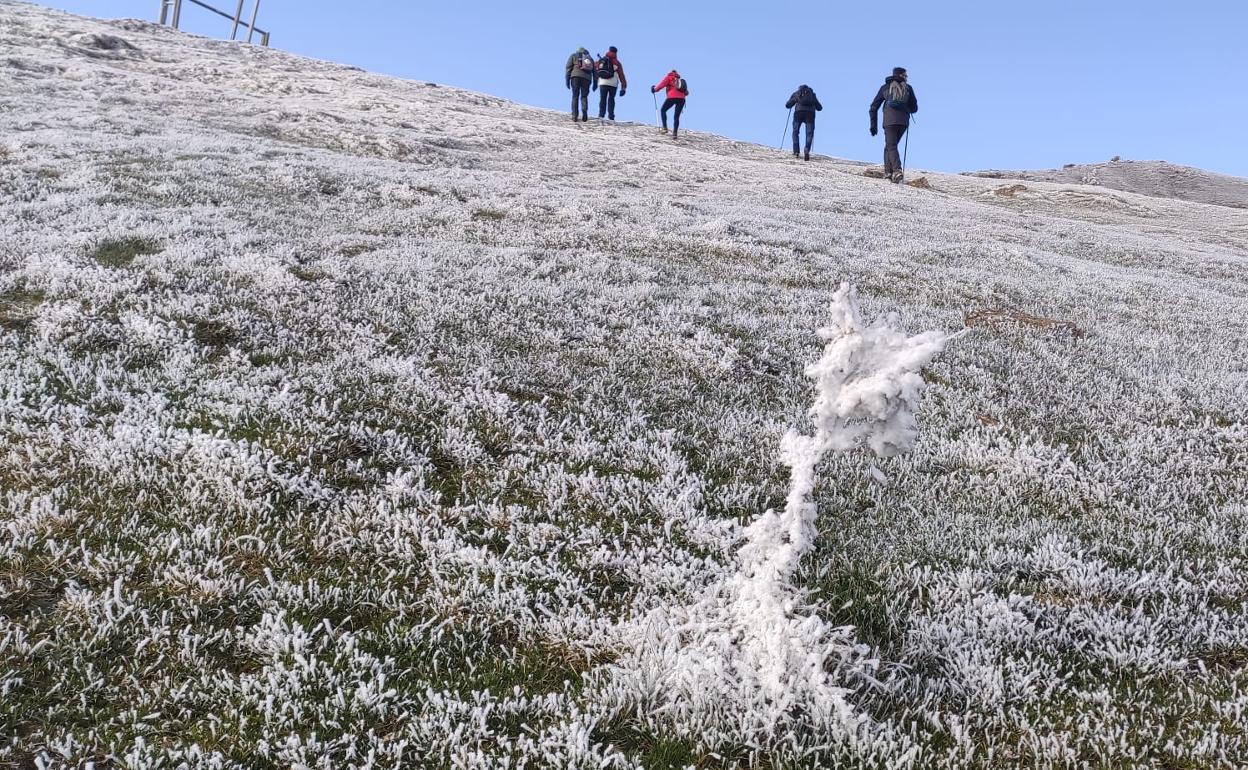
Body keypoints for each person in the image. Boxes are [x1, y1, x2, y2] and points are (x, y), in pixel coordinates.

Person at [869, 67, 918, 182]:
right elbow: (914, 108)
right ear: (901, 75)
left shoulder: (885, 88)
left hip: (889, 121)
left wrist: (873, 125)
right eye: (906, 76)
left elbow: (873, 107)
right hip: (903, 122)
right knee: (890, 146)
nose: (906, 78)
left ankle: (896, 170)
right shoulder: (908, 88)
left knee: (891, 146)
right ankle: (888, 173)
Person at [785, 84, 822, 161]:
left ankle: (796, 151)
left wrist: (794, 101)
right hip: (810, 114)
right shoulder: (812, 95)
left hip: (798, 113)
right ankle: (806, 149)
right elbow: (819, 108)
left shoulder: (797, 93)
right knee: (809, 133)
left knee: (795, 132)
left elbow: (788, 105)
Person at [651, 69, 688, 139]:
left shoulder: (669, 77)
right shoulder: (679, 80)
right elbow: (686, 93)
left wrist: (654, 89)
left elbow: (661, 85)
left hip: (672, 97)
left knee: (663, 110)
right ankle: (675, 134)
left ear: (670, 72)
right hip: (682, 99)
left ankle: (665, 128)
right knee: (676, 116)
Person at [565, 47, 598, 122]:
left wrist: (567, 79)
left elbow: (568, 68)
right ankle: (584, 111)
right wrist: (595, 83)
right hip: (587, 79)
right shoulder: (590, 59)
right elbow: (595, 72)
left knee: (575, 96)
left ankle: (575, 115)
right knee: (584, 96)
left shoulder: (574, 56)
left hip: (575, 77)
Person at [595, 47, 628, 121]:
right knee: (611, 99)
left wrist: (595, 80)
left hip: (603, 82)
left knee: (602, 98)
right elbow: (621, 75)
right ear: (616, 53)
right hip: (613, 83)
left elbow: (596, 67)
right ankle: (611, 116)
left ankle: (601, 114)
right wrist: (623, 87)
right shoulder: (617, 62)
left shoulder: (602, 59)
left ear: (608, 51)